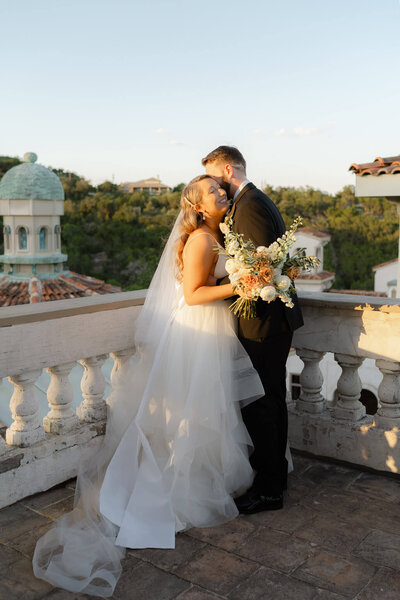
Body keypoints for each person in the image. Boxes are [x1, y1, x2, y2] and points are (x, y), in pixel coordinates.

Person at [33, 174, 264, 598]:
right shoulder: (200, 240)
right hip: (192, 334)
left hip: (207, 333)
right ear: (196, 206)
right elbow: (193, 295)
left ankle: (186, 481)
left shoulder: (218, 234)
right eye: (213, 191)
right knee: (174, 419)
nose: (222, 193)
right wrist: (243, 284)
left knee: (198, 413)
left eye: (222, 188)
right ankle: (145, 493)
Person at [202, 146, 304, 513]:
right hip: (266, 322)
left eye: (215, 178)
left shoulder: (251, 206)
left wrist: (240, 285)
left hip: (262, 323)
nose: (215, 186)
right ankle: (275, 479)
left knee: (263, 405)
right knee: (270, 401)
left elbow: (261, 270)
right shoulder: (252, 201)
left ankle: (269, 490)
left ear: (228, 170)